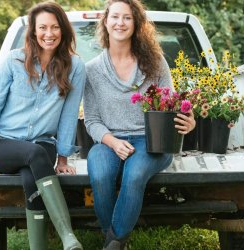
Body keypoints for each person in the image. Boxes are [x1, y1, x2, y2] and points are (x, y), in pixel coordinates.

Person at [83, 0, 196, 249]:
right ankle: (115, 240)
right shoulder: (91, 71)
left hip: (152, 140)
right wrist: (112, 142)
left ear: (136, 24)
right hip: (109, 140)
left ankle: (113, 243)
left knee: (134, 176)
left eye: (127, 18)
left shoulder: (155, 63)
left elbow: (171, 104)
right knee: (100, 174)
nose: (120, 23)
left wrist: (188, 121)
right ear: (105, 21)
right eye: (115, 17)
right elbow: (91, 120)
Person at [0, 2, 85, 250]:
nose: (49, 33)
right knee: (33, 155)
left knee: (29, 177)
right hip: (4, 145)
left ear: (63, 30)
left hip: (44, 143)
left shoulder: (75, 66)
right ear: (33, 31)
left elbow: (68, 116)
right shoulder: (13, 61)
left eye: (55, 27)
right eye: (43, 27)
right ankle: (67, 235)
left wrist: (63, 159)